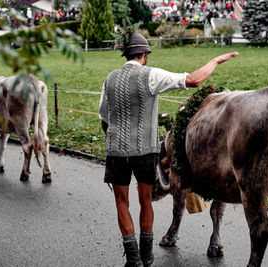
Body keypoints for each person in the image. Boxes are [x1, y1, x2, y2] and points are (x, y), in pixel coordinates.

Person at [98, 30, 238, 267]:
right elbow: (193, 80)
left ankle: (133, 259)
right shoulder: (151, 75)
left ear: (126, 55)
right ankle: (147, 255)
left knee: (122, 203)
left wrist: (114, 141)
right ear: (144, 55)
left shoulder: (109, 79)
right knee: (144, 201)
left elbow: (104, 116)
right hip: (144, 150)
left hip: (116, 151)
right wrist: (215, 60)